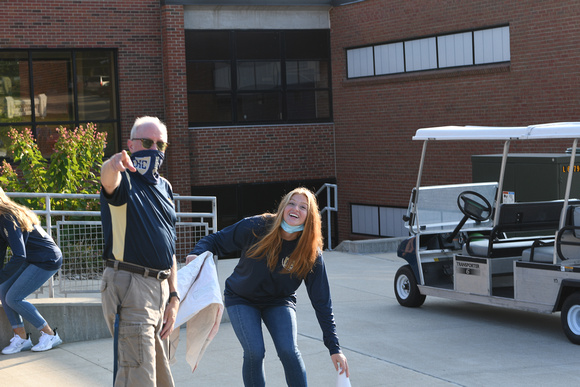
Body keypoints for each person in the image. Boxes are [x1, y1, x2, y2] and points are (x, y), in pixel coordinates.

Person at [186, 187, 349, 387]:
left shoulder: (310, 252)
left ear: (310, 216)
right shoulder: (257, 226)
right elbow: (215, 240)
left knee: (289, 350)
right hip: (241, 298)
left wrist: (335, 348)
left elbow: (322, 302)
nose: (295, 209)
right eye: (291, 203)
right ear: (283, 206)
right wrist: (197, 253)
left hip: (279, 301)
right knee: (255, 352)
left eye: (302, 207)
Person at [100, 116, 180, 387]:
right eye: (147, 142)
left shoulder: (165, 187)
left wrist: (174, 296)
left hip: (159, 292)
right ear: (131, 145)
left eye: (161, 144)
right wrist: (112, 164)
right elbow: (107, 180)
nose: (154, 149)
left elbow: (169, 246)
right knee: (139, 377)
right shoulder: (124, 180)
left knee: (160, 377)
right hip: (130, 287)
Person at [0, 187, 63, 354]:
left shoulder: (8, 217)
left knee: (13, 297)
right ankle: (21, 338)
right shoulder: (4, 216)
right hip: (32, 258)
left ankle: (49, 334)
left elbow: (19, 255)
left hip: (47, 259)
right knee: (3, 289)